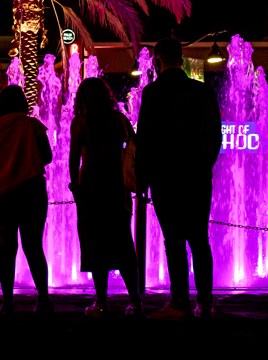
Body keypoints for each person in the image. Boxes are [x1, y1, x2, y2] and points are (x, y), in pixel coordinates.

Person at [136, 38, 221, 320]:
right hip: (197, 177)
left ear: (158, 60)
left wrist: (142, 180)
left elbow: (145, 140)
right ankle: (206, 304)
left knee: (174, 241)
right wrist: (204, 165)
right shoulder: (203, 92)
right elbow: (215, 137)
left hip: (166, 178)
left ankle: (180, 304)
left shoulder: (153, 93)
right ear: (181, 59)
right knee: (200, 239)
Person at [0, 85, 54, 316]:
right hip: (31, 193)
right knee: (33, 247)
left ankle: (8, 302)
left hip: (0, 198)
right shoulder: (31, 125)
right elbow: (46, 156)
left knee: (5, 249)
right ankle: (44, 300)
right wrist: (22, 161)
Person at [69, 77, 144, 317]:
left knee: (96, 246)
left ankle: (101, 303)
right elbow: (134, 147)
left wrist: (75, 186)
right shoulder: (119, 120)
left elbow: (73, 158)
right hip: (117, 187)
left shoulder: (81, 122)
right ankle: (135, 301)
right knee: (123, 245)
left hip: (90, 188)